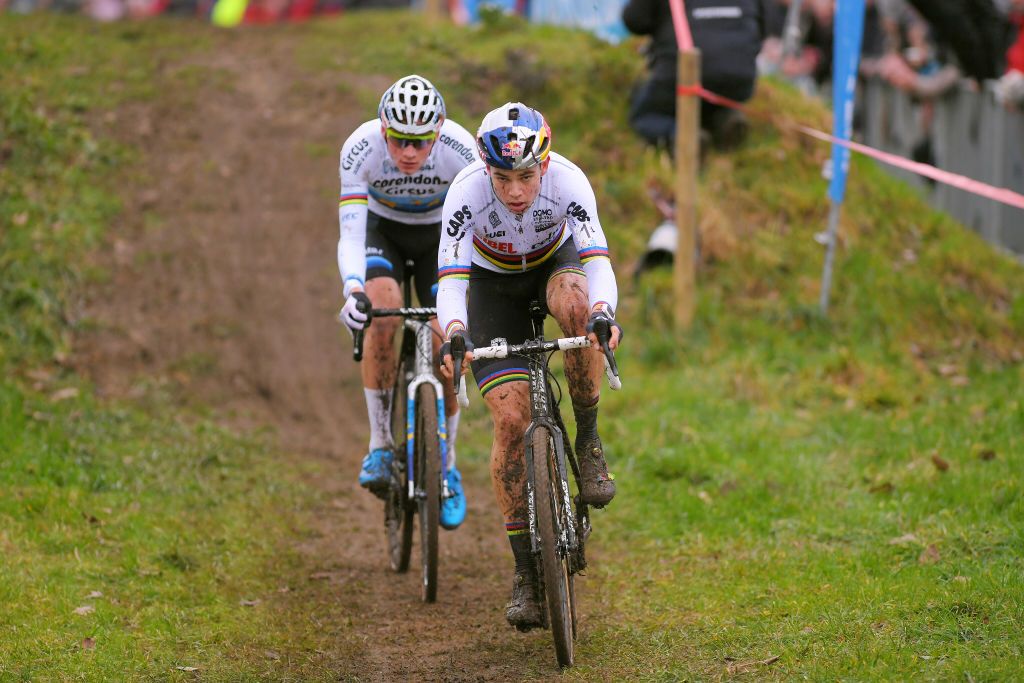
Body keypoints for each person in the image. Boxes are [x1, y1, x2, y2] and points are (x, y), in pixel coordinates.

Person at [436, 102, 623, 630]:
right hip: (491, 287)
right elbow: (450, 281)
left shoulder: (569, 180)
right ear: (484, 168)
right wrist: (455, 331)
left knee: (579, 307)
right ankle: (525, 571)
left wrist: (604, 314)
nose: (515, 192)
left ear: (543, 164)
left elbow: (597, 260)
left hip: (553, 267)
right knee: (510, 420)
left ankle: (587, 440)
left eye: (525, 176)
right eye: (503, 178)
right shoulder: (466, 193)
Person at [336, 74, 477, 530]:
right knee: (381, 310)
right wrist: (353, 288)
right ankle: (380, 444)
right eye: (398, 140)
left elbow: (476, 229)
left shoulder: (461, 151)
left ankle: (448, 464)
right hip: (384, 234)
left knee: (445, 342)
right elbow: (352, 233)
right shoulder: (360, 149)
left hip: (441, 235)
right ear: (382, 130)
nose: (409, 152)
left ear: (438, 132)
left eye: (420, 142)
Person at [622, 0, 767, 152]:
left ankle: (680, 136)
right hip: (739, 76)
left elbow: (635, 20)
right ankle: (723, 118)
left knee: (646, 114)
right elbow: (764, 26)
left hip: (681, 73)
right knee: (712, 92)